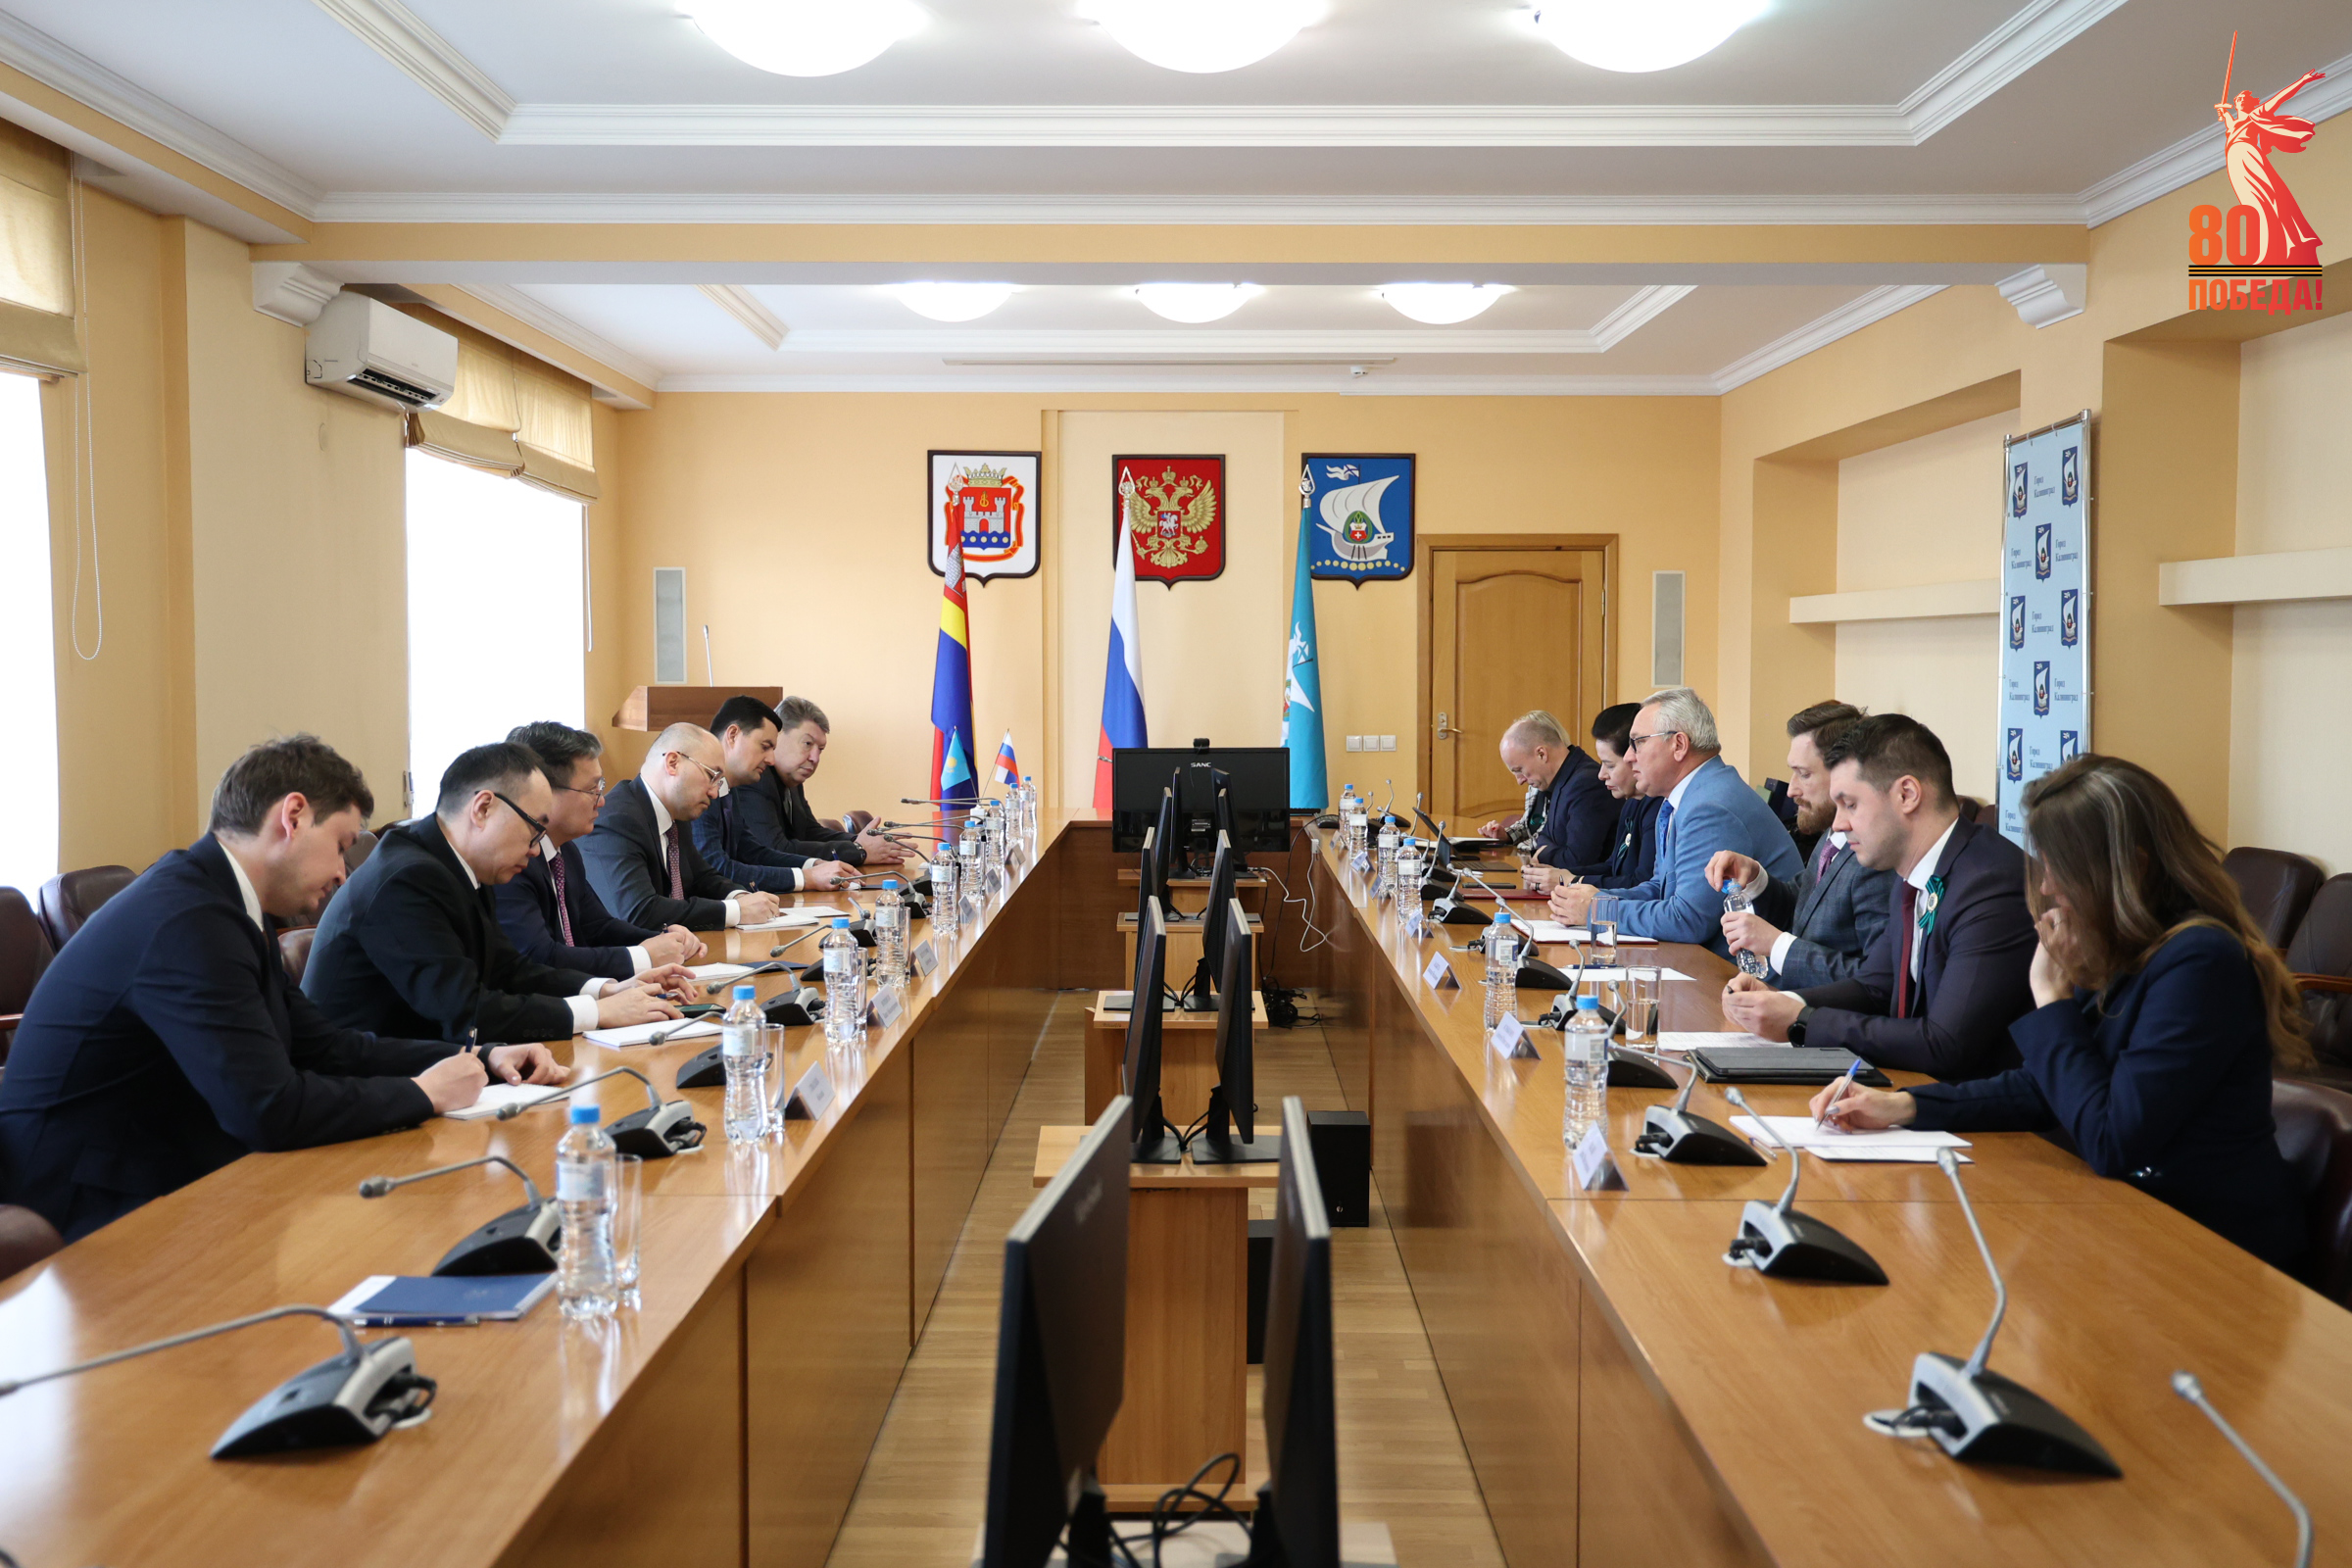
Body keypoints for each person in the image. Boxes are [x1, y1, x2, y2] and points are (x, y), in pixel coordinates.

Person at [0, 736, 563, 1242]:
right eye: (341, 844)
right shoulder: (189, 918)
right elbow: (267, 1108)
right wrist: (424, 1094)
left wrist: (481, 1057)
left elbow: (325, 1045)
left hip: (160, 1162)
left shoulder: (225, 900)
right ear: (293, 816)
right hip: (90, 1199)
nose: (343, 872)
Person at [1811, 755, 2312, 1271]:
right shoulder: (2135, 946)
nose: (2047, 886)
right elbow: (2041, 1087)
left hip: (2212, 1248)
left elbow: (2111, 1140)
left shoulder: (2200, 961)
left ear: (2129, 869)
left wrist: (2051, 997)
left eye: (2060, 868)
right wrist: (1904, 1107)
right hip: (2134, 1225)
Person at [305, 743, 691, 1044]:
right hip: (370, 1084)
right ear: (483, 808)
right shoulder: (407, 879)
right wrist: (597, 1013)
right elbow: (465, 1011)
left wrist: (607, 991)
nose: (537, 849)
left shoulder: (457, 863)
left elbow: (509, 970)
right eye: (534, 829)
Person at [1721, 713, 2034, 1080]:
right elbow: (1875, 986)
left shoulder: (1990, 883)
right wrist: (1782, 1002)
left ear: (1906, 795)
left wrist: (1802, 1021)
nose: (1838, 824)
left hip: (1986, 1107)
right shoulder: (1911, 870)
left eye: (1850, 804)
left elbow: (1946, 1044)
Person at [1545, 687, 1799, 956]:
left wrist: (1598, 910)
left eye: (1638, 742)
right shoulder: (1683, 798)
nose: (1629, 756)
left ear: (1678, 745)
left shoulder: (1710, 807)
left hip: (1743, 971)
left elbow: (1689, 920)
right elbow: (1661, 888)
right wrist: (1595, 899)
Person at [497, 720, 708, 981]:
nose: (602, 800)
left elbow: (597, 926)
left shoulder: (567, 852)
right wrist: (642, 956)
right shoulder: (512, 863)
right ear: (543, 792)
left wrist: (662, 939)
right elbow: (541, 957)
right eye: (592, 790)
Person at [1706, 701, 1895, 988]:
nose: (1791, 789)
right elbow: (1803, 907)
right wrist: (1755, 877)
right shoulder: (1831, 835)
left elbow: (1875, 984)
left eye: (1804, 774)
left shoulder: (1874, 857)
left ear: (1844, 774)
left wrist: (1777, 945)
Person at [579, 723, 788, 931]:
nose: (714, 793)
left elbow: (702, 877)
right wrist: (735, 911)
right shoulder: (618, 820)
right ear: (673, 763)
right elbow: (639, 912)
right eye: (712, 776)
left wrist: (739, 897)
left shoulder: (676, 815)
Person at [694, 696, 858, 894]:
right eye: (765, 747)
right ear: (733, 735)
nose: (771, 760)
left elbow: (753, 853)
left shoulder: (729, 788)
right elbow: (717, 869)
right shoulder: (699, 789)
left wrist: (813, 865)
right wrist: (806, 878)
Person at [734, 697, 903, 869]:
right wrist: (858, 850)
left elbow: (810, 832)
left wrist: (863, 842)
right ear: (777, 736)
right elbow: (775, 849)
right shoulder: (756, 780)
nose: (815, 758)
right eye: (807, 744)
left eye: (820, 749)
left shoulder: (792, 778)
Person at [1495, 711, 1612, 895]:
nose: (1520, 781)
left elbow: (1576, 862)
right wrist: (1547, 847)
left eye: (1520, 770)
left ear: (1541, 754)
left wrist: (1542, 852)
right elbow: (1543, 837)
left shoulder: (1586, 784)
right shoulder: (1560, 779)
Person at [1582, 702, 1664, 892]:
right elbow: (1613, 866)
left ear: (1634, 758)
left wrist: (1575, 881)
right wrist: (1563, 876)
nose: (1601, 775)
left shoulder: (1658, 807)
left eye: (1610, 765)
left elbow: (1642, 882)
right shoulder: (1631, 803)